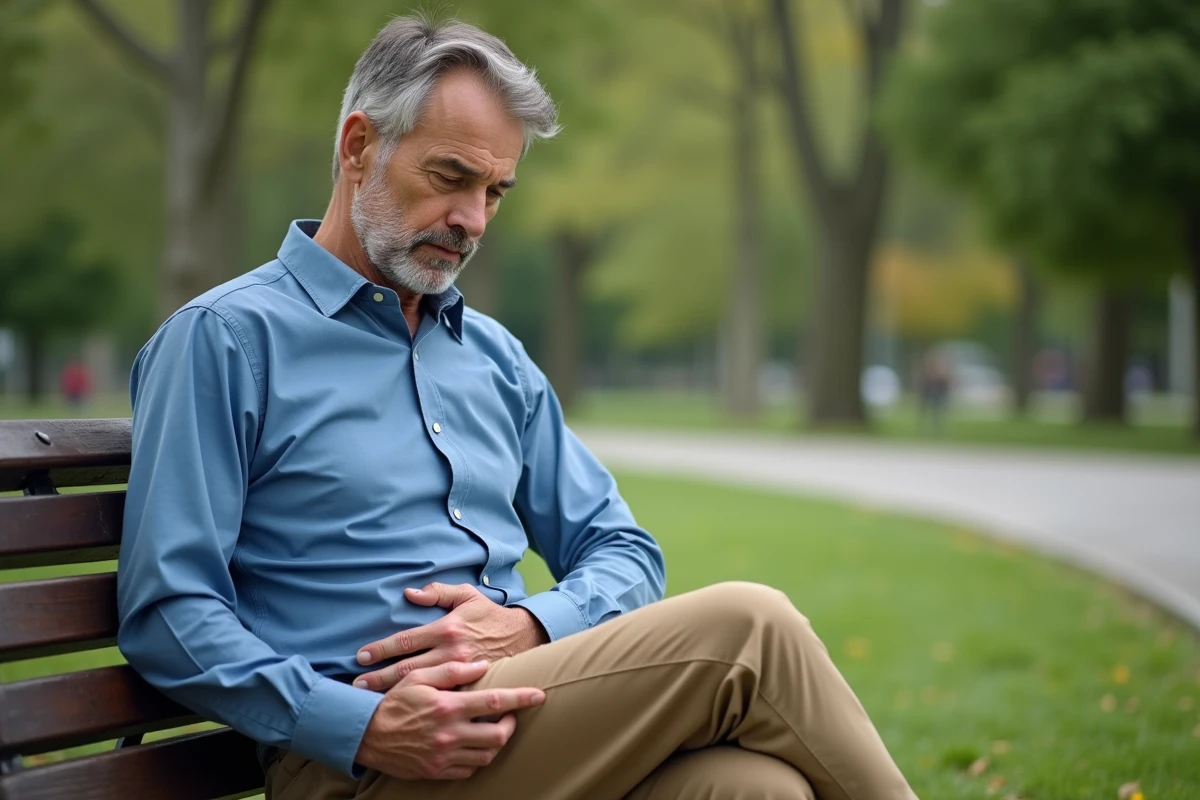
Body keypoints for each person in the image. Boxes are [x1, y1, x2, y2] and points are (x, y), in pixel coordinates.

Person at [117, 14, 917, 800]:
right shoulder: (225, 341)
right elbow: (168, 609)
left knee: (755, 787)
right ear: (359, 146)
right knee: (751, 629)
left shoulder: (493, 357)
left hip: (525, 723)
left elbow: (624, 550)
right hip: (362, 766)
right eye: (450, 177)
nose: (473, 221)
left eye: (496, 191)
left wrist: (532, 626)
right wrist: (358, 726)